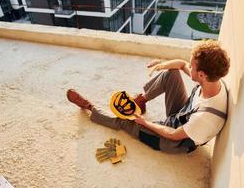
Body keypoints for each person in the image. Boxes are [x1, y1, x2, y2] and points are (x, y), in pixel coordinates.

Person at [66, 40, 230, 153]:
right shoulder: (213, 81)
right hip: (182, 115)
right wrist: (161, 65)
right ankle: (142, 101)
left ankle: (90, 108)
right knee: (171, 74)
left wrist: (145, 123)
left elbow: (172, 135)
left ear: (201, 75)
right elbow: (180, 64)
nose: (189, 67)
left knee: (127, 120)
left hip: (172, 140)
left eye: (192, 67)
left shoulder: (205, 117)